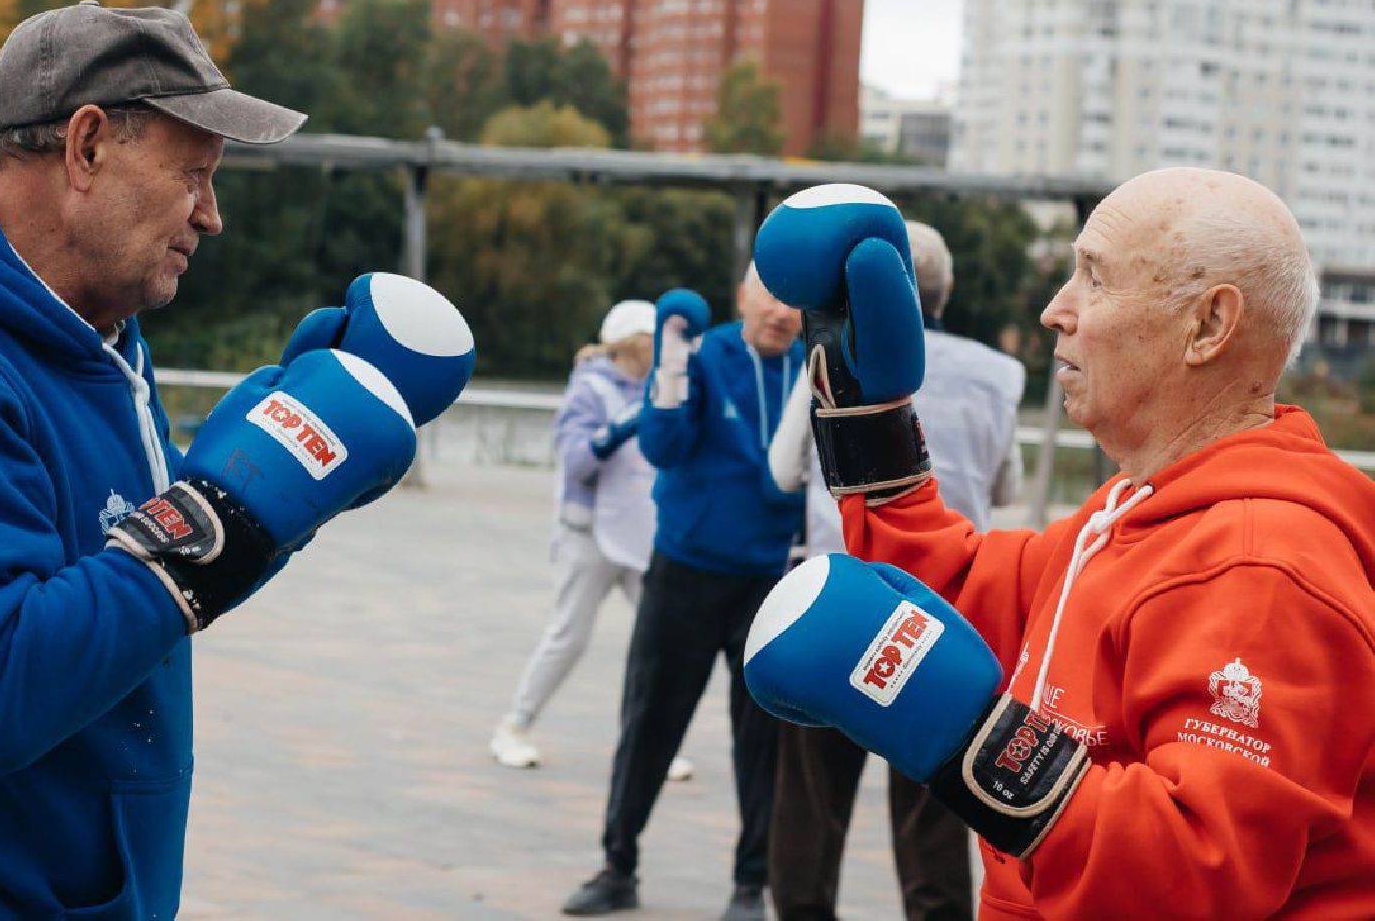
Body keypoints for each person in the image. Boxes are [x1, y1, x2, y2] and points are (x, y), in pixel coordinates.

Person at [0, 2, 475, 918]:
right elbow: (0, 681)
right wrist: (234, 508)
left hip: (44, 891)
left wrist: (287, 477)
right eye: (193, 176)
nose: (211, 216)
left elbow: (127, 576)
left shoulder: (87, 335)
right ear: (86, 147)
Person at [745, 172, 1375, 919]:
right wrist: (869, 420)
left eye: (1094, 280)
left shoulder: (1256, 565)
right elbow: (970, 594)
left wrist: (979, 746)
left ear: (1207, 327)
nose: (1054, 312)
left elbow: (1195, 870)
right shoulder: (1138, 505)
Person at [764, 219, 1023, 921]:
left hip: (836, 605)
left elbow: (783, 468)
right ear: (941, 291)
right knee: (934, 807)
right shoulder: (1001, 373)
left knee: (810, 803)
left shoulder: (829, 359)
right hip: (946, 609)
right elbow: (1003, 488)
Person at [562, 270, 805, 921]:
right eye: (769, 293)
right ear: (741, 297)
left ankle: (752, 884)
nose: (781, 310)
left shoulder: (817, 371)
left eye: (793, 299)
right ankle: (617, 866)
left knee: (763, 740)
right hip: (684, 570)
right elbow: (663, 447)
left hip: (771, 577)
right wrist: (669, 368)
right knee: (648, 723)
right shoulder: (701, 355)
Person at [490, 300, 658, 769]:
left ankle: (649, 746)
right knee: (569, 635)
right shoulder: (590, 389)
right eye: (652, 341)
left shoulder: (660, 387)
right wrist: (621, 426)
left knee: (659, 640)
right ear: (632, 344)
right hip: (587, 535)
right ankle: (515, 725)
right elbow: (577, 463)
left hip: (643, 534)